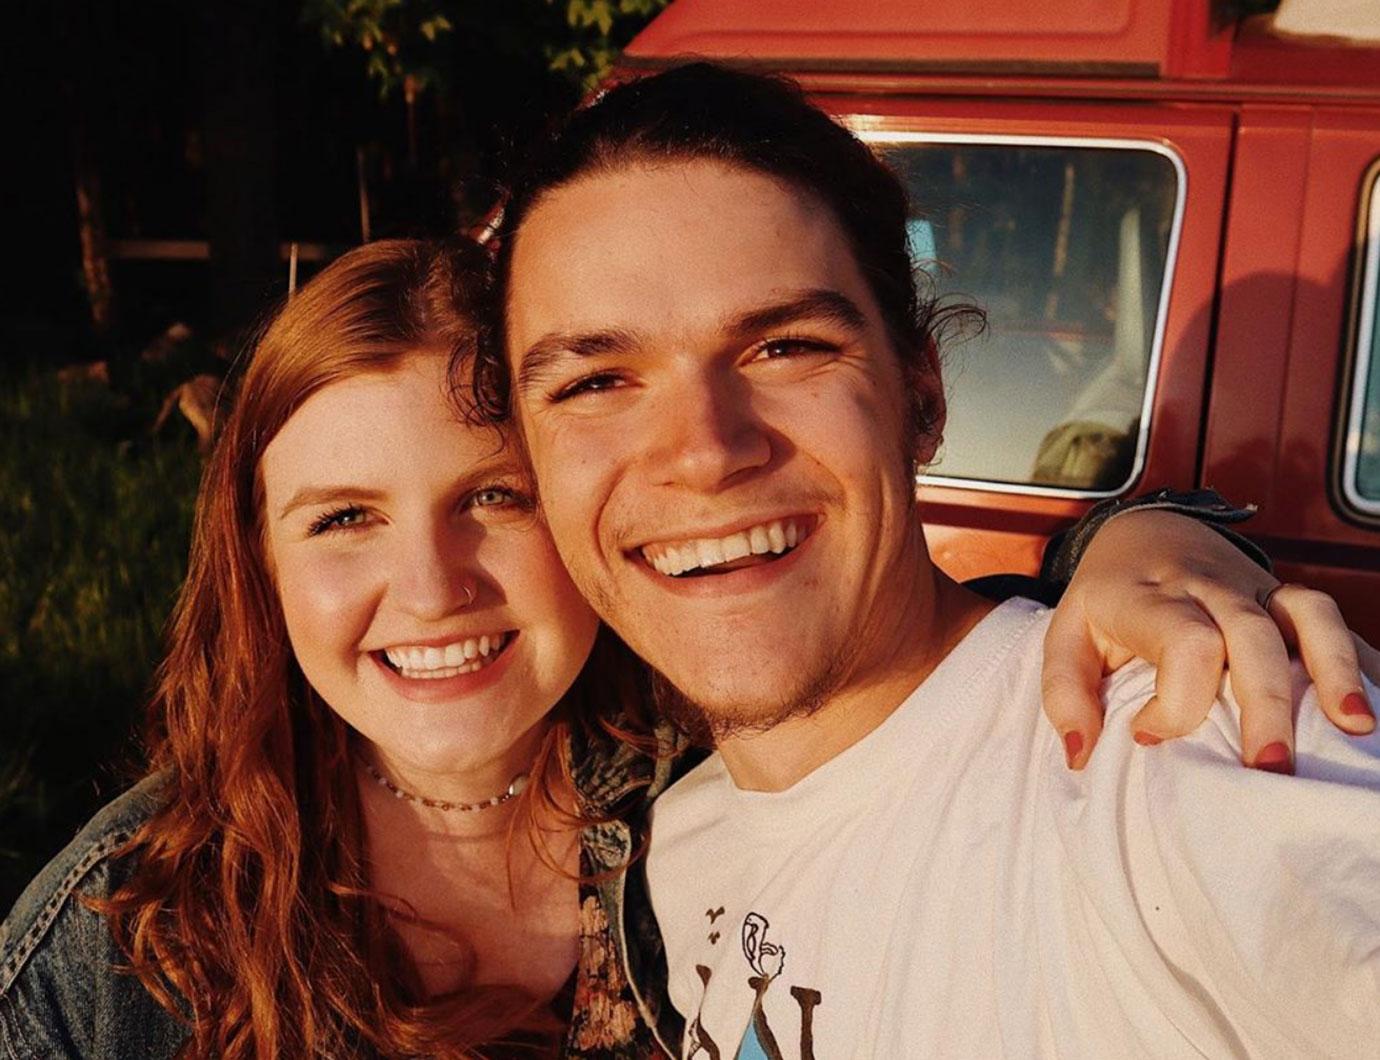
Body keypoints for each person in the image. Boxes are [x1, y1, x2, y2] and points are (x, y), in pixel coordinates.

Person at [483, 62, 1380, 1057]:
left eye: (784, 347)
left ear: (923, 394)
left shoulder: (1179, 743)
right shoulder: (678, 845)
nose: (703, 449)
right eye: (597, 380)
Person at [0, 239, 675, 1058]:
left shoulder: (755, 815)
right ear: (260, 564)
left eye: (495, 496)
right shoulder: (122, 926)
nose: (430, 590)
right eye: (345, 518)